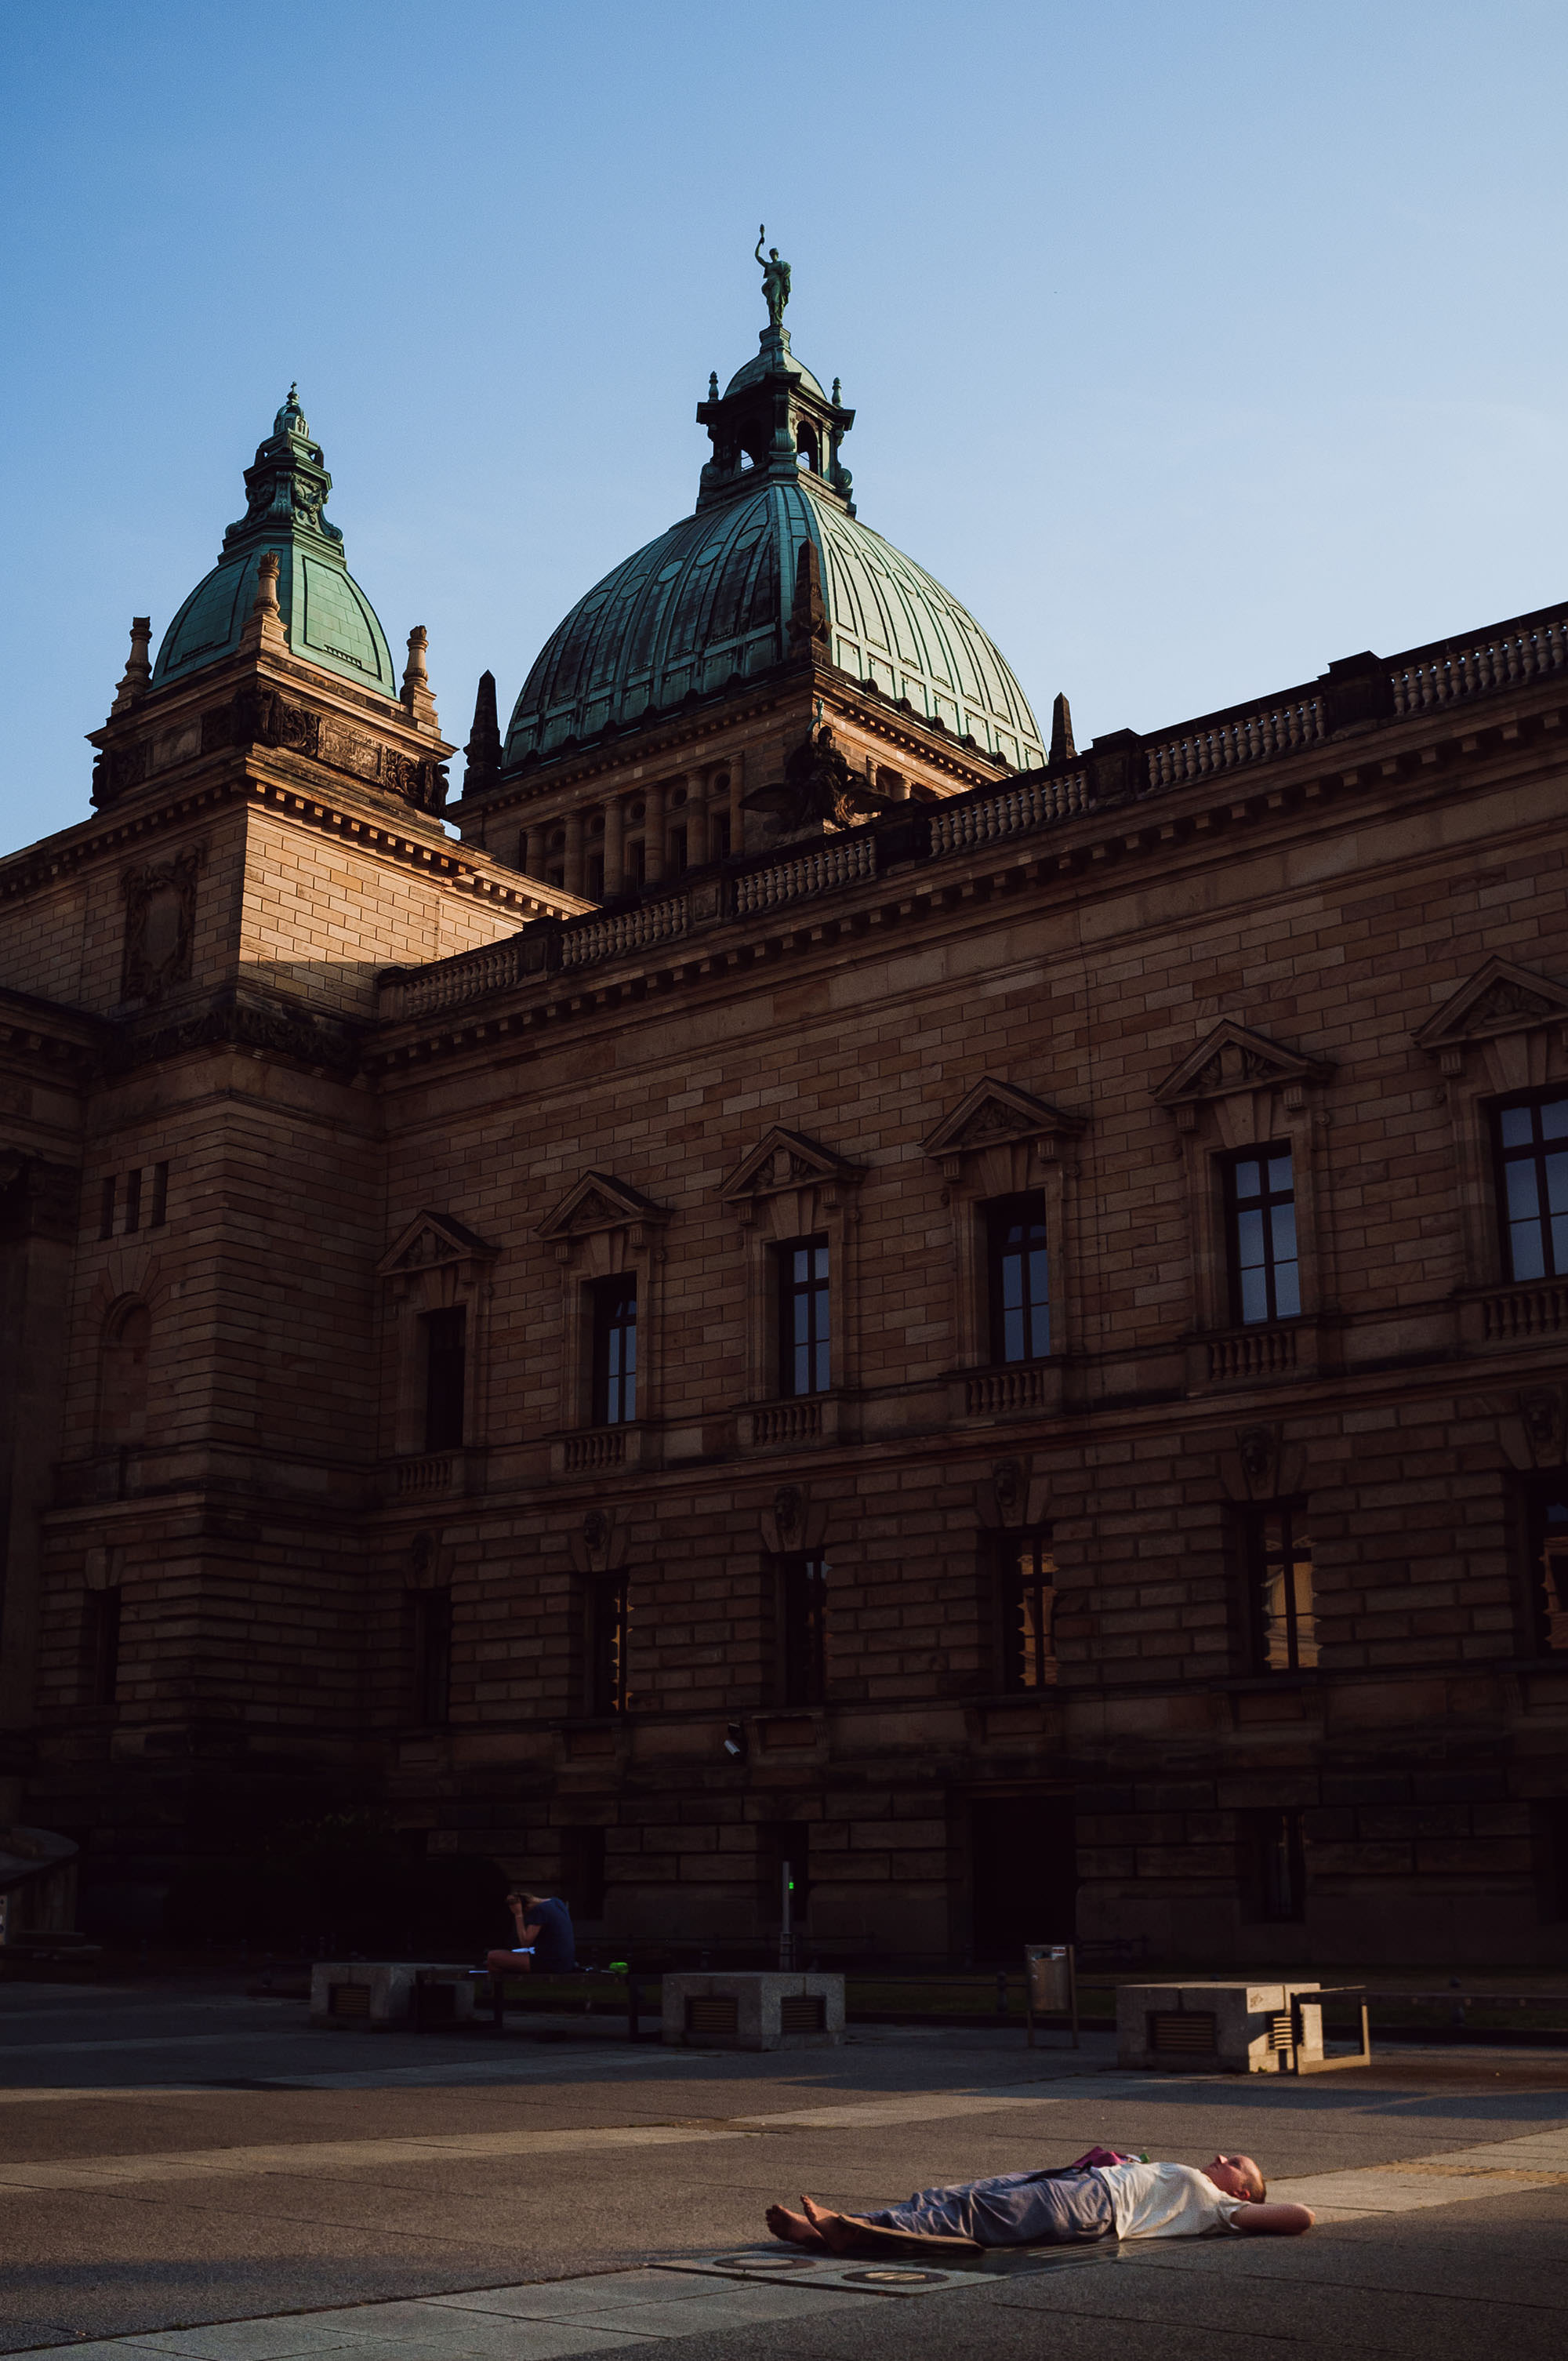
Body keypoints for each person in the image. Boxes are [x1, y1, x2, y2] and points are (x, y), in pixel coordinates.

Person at [765, 2151, 1313, 2254]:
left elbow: (1301, 2216)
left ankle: (848, 2227)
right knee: (951, 2195)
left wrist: (1246, 2209)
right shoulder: (1202, 2184)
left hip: (1093, 2204)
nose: (1221, 2154)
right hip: (1081, 2180)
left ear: (1242, 2191)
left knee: (976, 2215)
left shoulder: (1222, 2207)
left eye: (1236, 2162)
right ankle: (833, 2231)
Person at [484, 1887, 576, 1978]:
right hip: (566, 1962)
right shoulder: (557, 1902)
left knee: (492, 1957)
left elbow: (525, 1943)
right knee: (494, 1963)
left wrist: (518, 1915)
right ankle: (496, 1987)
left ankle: (493, 1988)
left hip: (551, 1963)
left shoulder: (540, 1910)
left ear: (526, 1908)